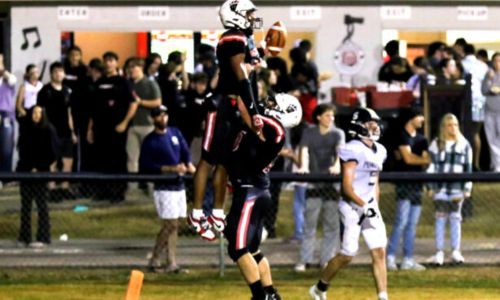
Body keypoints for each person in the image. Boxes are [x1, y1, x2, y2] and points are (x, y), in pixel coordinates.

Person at [188, 0, 266, 241]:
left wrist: (264, 51)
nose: (254, 17)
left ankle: (218, 212)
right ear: (237, 16)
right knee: (208, 158)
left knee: (225, 162)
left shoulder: (244, 39)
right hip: (222, 105)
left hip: (235, 108)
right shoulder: (232, 38)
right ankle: (197, 211)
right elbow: (240, 77)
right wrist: (253, 110)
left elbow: (248, 71)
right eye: (250, 13)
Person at [224, 93, 302, 300]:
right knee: (252, 249)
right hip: (255, 189)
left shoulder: (274, 128)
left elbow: (245, 109)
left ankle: (260, 295)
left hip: (250, 191)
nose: (268, 103)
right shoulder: (274, 129)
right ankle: (271, 293)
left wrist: (241, 84)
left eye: (274, 103)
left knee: (239, 248)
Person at [309, 108, 389, 300]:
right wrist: (364, 205)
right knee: (347, 254)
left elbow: (375, 182)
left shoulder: (381, 151)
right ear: (359, 125)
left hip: (369, 206)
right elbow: (347, 187)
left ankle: (383, 296)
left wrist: (373, 205)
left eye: (376, 122)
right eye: (371, 122)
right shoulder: (352, 148)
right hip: (351, 206)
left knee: (379, 251)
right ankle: (319, 287)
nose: (375, 126)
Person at [140, 105, 195, 273]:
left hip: (179, 185)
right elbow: (146, 165)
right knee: (170, 224)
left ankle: (171, 262)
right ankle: (156, 257)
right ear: (153, 119)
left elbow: (185, 152)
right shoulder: (150, 140)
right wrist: (169, 168)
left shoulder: (175, 133)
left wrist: (189, 164)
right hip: (164, 188)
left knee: (175, 225)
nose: (162, 118)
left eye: (164, 115)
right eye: (158, 116)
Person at [294, 104, 344, 272]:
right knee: (310, 223)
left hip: (331, 184)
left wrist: (337, 166)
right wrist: (304, 168)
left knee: (331, 223)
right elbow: (304, 151)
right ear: (318, 117)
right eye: (328, 115)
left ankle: (327, 260)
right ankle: (304, 259)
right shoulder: (309, 132)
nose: (332, 118)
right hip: (314, 183)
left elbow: (340, 153)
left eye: (333, 115)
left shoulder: (338, 133)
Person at [87, 51, 137, 202]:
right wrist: (90, 129)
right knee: (101, 160)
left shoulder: (124, 82)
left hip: (117, 130)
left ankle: (118, 192)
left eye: (111, 60)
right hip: (100, 129)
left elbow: (134, 103)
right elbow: (93, 108)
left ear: (116, 63)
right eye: (106, 60)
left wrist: (125, 123)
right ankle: (103, 191)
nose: (108, 63)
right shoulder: (98, 83)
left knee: (117, 160)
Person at [386, 108, 430, 271]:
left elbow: (422, 161)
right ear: (411, 118)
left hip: (417, 184)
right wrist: (419, 158)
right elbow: (409, 159)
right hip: (404, 183)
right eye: (419, 116)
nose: (422, 119)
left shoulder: (422, 139)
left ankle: (408, 259)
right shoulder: (401, 136)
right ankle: (390, 256)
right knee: (401, 221)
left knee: (412, 223)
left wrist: (416, 158)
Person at [427, 113, 472, 266]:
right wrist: (430, 187)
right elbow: (430, 167)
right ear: (443, 127)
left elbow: (468, 168)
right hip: (440, 189)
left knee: (455, 219)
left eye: (455, 125)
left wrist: (467, 187)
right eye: (449, 125)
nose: (453, 128)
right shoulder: (436, 144)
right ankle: (439, 252)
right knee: (440, 220)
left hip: (457, 189)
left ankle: (455, 251)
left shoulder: (464, 144)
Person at [17, 105, 59, 248]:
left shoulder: (48, 130)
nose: (36, 115)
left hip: (41, 174)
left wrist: (39, 167)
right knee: (25, 206)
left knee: (42, 206)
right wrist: (28, 167)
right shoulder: (26, 130)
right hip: (26, 173)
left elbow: (52, 153)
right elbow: (22, 150)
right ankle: (24, 236)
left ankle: (43, 236)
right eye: (34, 112)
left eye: (39, 112)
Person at [37, 62, 76, 196]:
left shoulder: (67, 90)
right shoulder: (44, 91)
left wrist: (72, 132)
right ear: (51, 73)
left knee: (68, 160)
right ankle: (51, 188)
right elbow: (40, 112)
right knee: (51, 161)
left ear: (64, 73)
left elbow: (69, 112)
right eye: (55, 71)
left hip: (65, 131)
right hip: (50, 131)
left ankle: (65, 188)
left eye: (61, 71)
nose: (58, 74)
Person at [126, 58, 162, 179]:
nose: (131, 70)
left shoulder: (150, 83)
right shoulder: (129, 84)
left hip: (147, 125)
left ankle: (151, 187)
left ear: (141, 68)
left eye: (134, 67)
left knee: (149, 157)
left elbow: (158, 102)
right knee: (132, 158)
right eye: (130, 68)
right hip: (132, 125)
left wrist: (141, 102)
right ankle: (133, 188)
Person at [461, 43, 488, 170]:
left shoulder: (462, 63)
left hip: (466, 101)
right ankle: (476, 163)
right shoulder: (483, 66)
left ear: (463, 51)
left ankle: (467, 162)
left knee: (465, 133)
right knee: (475, 133)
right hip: (481, 101)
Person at [482, 52, 500, 171]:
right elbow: (484, 90)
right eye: (495, 61)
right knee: (491, 139)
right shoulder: (489, 74)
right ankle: (496, 165)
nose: (497, 63)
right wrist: (489, 79)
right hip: (489, 111)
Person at [0, 54, 17, 173]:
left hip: (5, 114)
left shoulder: (8, 78)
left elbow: (12, 80)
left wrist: (2, 70)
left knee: (6, 147)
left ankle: (5, 176)